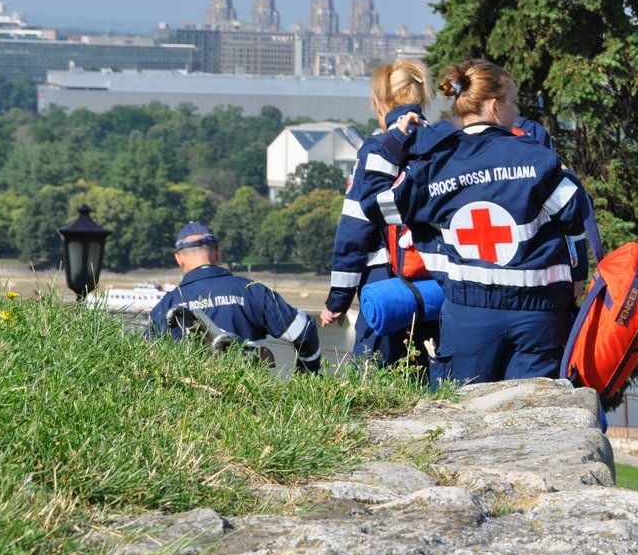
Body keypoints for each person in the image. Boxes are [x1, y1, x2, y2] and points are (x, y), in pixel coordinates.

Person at [369, 59, 591, 385]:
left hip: (468, 313)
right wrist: (579, 274)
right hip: (539, 315)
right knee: (531, 416)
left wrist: (393, 142)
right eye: (513, 102)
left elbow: (376, 205)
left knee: (465, 416)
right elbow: (575, 214)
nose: (517, 113)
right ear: (495, 106)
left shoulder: (435, 165)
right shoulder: (536, 158)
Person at [319, 58, 435, 369]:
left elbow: (354, 229)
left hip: (384, 280)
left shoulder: (377, 149)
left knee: (375, 373)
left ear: (378, 103)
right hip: (437, 281)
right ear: (422, 100)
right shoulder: (442, 142)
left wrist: (338, 301)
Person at [148, 221, 323, 374]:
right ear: (217, 252)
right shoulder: (252, 291)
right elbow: (304, 329)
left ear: (179, 258)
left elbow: (146, 356)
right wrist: (307, 372)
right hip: (251, 403)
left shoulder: (166, 305)